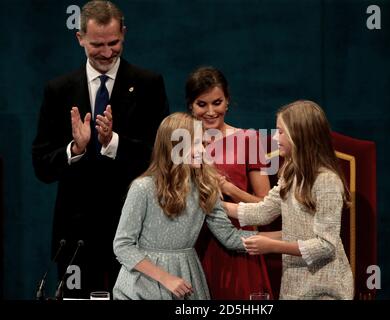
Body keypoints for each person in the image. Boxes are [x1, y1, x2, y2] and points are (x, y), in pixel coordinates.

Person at [31, 0, 169, 298]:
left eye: (114, 43)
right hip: (75, 234)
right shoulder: (58, 90)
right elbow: (41, 165)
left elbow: (161, 159)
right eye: (97, 44)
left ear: (125, 34)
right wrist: (74, 148)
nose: (107, 53)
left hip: (135, 229)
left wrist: (113, 143)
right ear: (79, 38)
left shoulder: (149, 85)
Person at [112, 112, 257, 300]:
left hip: (187, 278)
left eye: (203, 144)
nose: (203, 151)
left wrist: (284, 238)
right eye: (196, 144)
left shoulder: (204, 188)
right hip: (143, 284)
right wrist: (166, 278)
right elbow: (123, 245)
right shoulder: (143, 188)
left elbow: (230, 237)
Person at [224, 100, 354, 299]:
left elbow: (326, 246)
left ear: (299, 135)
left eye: (281, 132)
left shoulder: (327, 180)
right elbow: (263, 210)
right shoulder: (290, 174)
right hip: (294, 285)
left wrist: (272, 246)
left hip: (325, 287)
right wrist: (215, 206)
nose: (275, 138)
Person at [185, 66, 274, 299]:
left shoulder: (250, 139)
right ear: (190, 106)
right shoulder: (180, 142)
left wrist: (228, 188)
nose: (211, 111)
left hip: (237, 242)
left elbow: (265, 206)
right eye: (201, 104)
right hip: (191, 244)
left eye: (217, 102)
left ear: (227, 102)